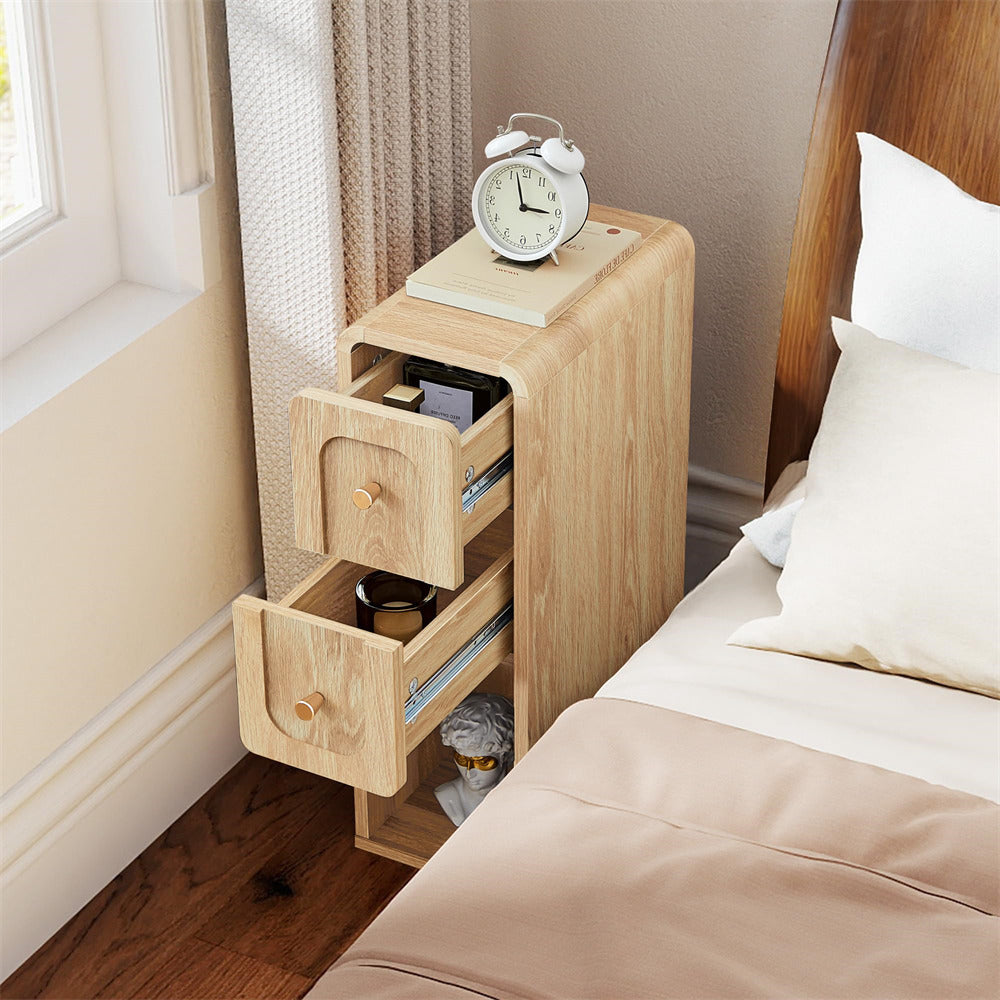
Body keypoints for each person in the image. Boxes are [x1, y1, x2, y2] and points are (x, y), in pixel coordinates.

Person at [434, 692, 514, 827]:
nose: (469, 773)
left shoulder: (516, 803)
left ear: (505, 756)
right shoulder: (448, 797)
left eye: (482, 762)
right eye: (462, 759)